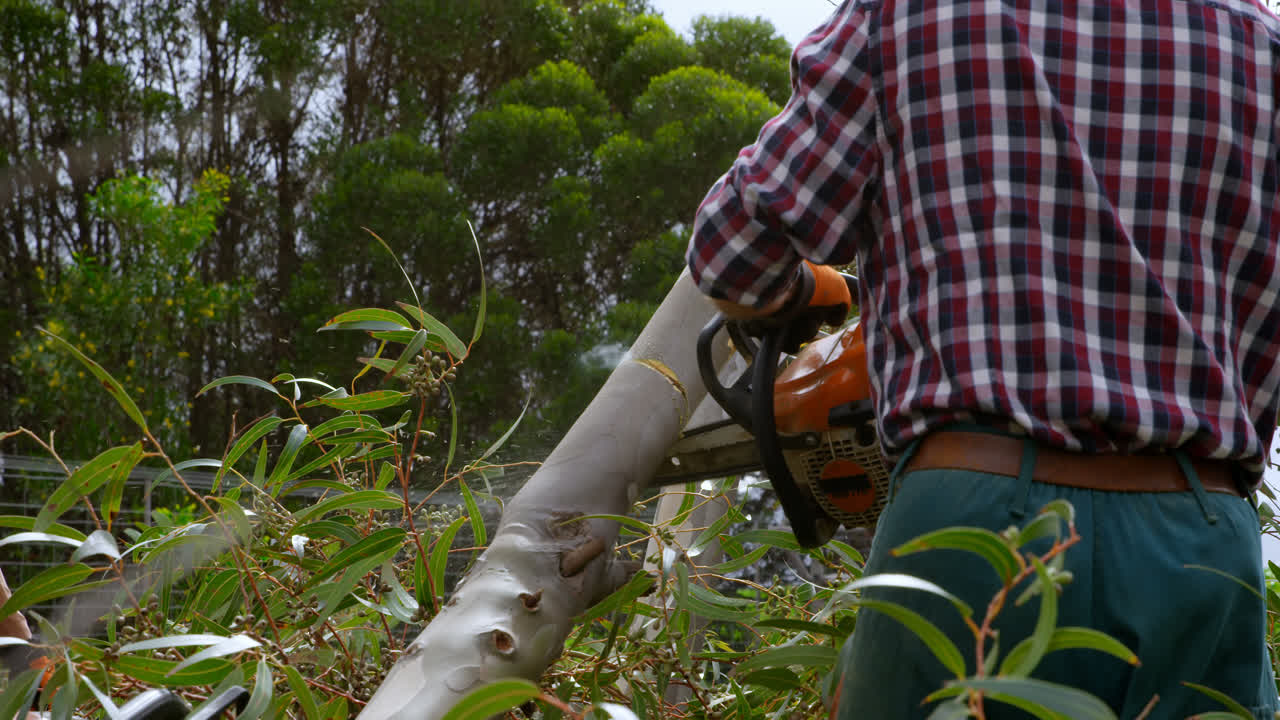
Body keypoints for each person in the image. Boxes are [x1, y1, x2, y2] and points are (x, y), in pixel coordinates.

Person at [686, 0, 1280, 717]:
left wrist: (814, 292)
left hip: (973, 521)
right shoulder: (1260, 41)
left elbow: (733, 256)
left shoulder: (905, 12)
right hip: (1203, 543)